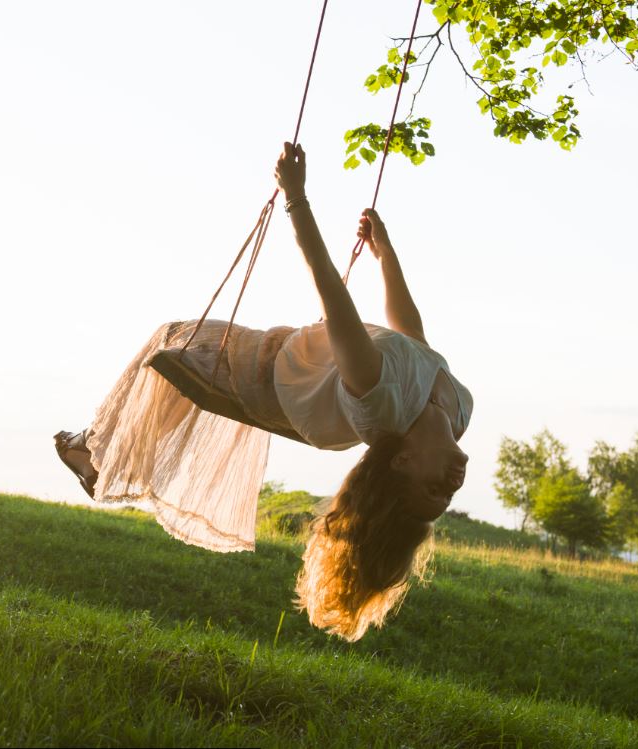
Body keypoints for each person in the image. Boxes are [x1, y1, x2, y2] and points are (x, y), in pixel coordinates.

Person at [54, 142, 472, 641]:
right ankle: (96, 452)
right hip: (301, 369)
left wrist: (295, 197)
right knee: (172, 355)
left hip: (269, 373)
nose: (451, 486)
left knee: (173, 346)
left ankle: (93, 452)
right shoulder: (458, 409)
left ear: (403, 463)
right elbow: (413, 336)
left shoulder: (382, 401)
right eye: (447, 496)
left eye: (434, 489)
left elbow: (330, 290)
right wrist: (386, 257)